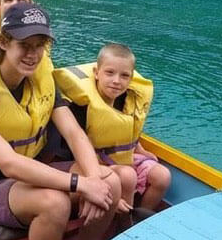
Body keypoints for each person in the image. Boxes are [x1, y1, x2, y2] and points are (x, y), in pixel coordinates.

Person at [0, 3, 122, 240]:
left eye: (39, 45)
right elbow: (9, 164)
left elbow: (74, 133)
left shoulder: (43, 81)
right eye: (25, 45)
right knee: (55, 204)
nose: (33, 54)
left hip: (36, 170)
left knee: (111, 182)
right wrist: (81, 184)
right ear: (4, 42)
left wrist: (94, 179)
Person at [54, 43, 171, 211]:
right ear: (96, 73)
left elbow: (129, 132)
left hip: (123, 157)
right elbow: (77, 146)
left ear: (131, 79)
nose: (116, 81)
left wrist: (141, 150)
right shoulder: (82, 106)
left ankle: (140, 217)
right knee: (128, 176)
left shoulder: (128, 100)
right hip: (91, 162)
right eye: (110, 73)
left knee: (163, 176)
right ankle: (123, 224)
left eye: (124, 76)